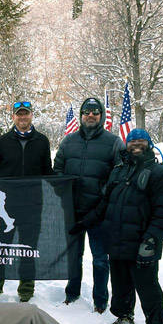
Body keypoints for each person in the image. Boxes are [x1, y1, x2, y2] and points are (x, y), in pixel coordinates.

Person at [81, 129, 163, 324]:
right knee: (121, 284)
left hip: (142, 243)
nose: (136, 145)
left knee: (148, 288)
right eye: (132, 141)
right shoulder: (119, 171)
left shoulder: (159, 173)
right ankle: (124, 318)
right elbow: (106, 204)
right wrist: (85, 222)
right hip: (117, 240)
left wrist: (151, 240)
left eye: (141, 141)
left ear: (149, 144)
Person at [53, 97, 124, 310]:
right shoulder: (68, 141)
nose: (90, 115)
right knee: (74, 256)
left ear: (101, 115)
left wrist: (105, 193)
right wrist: (64, 191)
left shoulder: (113, 142)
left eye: (95, 112)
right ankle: (71, 294)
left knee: (101, 260)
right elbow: (57, 169)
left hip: (100, 212)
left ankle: (100, 301)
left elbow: (119, 172)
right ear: (81, 115)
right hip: (73, 210)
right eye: (86, 112)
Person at [0, 101, 54, 303]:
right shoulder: (3, 141)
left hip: (32, 206)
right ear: (13, 117)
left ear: (31, 115)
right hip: (6, 206)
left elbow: (47, 171)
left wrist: (64, 181)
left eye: (26, 114)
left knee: (28, 249)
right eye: (19, 114)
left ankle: (26, 291)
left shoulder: (42, 141)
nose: (23, 117)